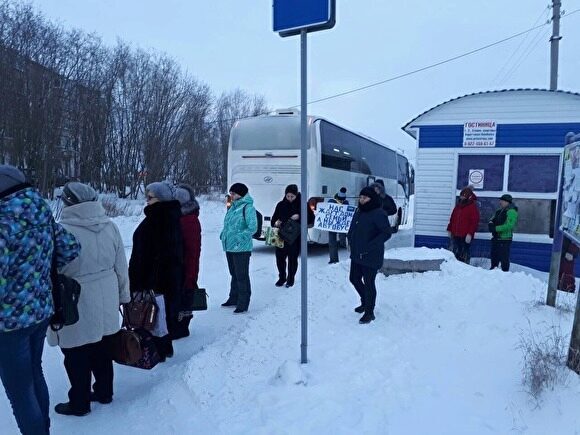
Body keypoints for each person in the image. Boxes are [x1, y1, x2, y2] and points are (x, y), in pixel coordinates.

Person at [0, 165, 80, 435]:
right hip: (41, 310)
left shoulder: (3, 219)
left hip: (10, 322)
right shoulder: (41, 211)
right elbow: (70, 248)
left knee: (19, 391)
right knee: (34, 373)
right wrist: (37, 268)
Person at [47, 182, 130, 417]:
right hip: (107, 293)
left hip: (76, 297)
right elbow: (121, 266)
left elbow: (54, 270)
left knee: (75, 352)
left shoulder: (61, 231)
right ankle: (104, 392)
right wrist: (123, 295)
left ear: (68, 203)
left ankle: (79, 402)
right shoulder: (110, 226)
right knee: (103, 347)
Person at [129, 181, 183, 360]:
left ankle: (156, 351)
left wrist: (138, 281)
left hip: (155, 279)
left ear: (161, 199)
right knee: (161, 315)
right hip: (167, 277)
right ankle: (164, 348)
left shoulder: (157, 219)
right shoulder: (169, 216)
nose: (147, 200)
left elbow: (147, 255)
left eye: (150, 197)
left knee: (153, 316)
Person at [347, 187, 392, 324]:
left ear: (371, 199)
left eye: (365, 198)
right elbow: (353, 227)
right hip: (356, 254)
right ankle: (365, 301)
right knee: (354, 279)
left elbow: (386, 233)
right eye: (360, 197)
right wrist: (349, 238)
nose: (362, 200)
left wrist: (370, 246)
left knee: (369, 283)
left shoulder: (378, 213)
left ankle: (369, 312)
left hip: (371, 256)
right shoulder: (359, 211)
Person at [220, 183, 257, 313]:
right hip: (229, 246)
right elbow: (229, 225)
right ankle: (233, 298)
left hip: (241, 247)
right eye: (231, 193)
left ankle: (243, 302)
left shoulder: (248, 207)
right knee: (234, 274)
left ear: (240, 194)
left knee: (242, 275)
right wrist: (223, 235)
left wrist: (239, 238)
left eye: (233, 193)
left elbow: (252, 227)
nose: (231, 195)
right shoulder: (233, 207)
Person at [271, 184, 315, 288]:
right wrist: (275, 222)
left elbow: (311, 219)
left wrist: (299, 216)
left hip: (295, 237)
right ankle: (282, 277)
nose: (290, 198)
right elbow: (273, 219)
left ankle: (291, 279)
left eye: (292, 196)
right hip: (280, 236)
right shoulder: (280, 205)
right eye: (288, 196)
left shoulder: (303, 205)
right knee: (280, 259)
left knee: (292, 259)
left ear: (296, 195)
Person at [173, 184, 201, 338]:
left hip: (186, 265)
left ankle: (182, 326)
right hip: (181, 265)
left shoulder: (188, 220)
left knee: (185, 291)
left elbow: (192, 250)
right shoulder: (181, 217)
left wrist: (190, 273)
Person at [446, 186, 480, 264]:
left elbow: (474, 222)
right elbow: (452, 218)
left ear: (467, 196)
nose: (461, 197)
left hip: (465, 236)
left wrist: (470, 234)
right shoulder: (458, 206)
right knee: (456, 253)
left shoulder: (472, 207)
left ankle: (465, 268)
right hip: (455, 234)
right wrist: (449, 229)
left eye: (463, 196)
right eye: (461, 195)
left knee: (464, 253)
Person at [488, 194, 519, 272]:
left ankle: (505, 275)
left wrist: (496, 228)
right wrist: (491, 224)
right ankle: (492, 273)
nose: (500, 202)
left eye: (502, 200)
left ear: (507, 202)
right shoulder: (499, 211)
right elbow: (492, 219)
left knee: (504, 259)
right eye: (500, 200)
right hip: (496, 238)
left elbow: (509, 225)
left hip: (504, 239)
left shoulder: (512, 211)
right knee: (494, 257)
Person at [328, 187, 349, 264]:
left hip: (341, 224)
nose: (342, 201)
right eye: (340, 200)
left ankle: (343, 244)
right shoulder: (331, 201)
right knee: (332, 242)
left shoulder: (346, 202)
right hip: (332, 224)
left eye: (343, 200)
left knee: (342, 238)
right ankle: (333, 259)